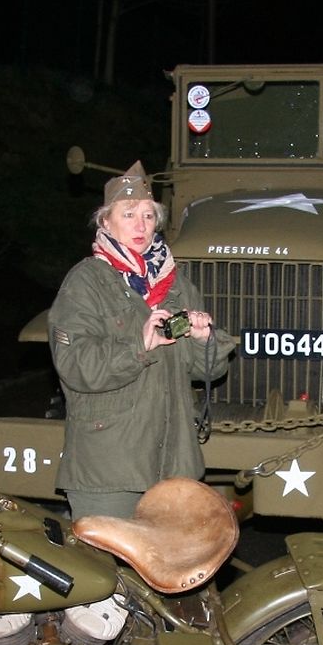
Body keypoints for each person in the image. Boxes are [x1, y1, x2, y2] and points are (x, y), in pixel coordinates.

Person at [48, 161, 236, 520]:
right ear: (106, 222)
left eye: (149, 216)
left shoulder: (176, 285)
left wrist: (203, 340)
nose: (140, 225)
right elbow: (76, 366)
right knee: (107, 558)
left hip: (173, 467)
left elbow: (207, 371)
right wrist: (140, 345)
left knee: (174, 557)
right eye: (129, 214)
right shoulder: (86, 283)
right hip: (109, 470)